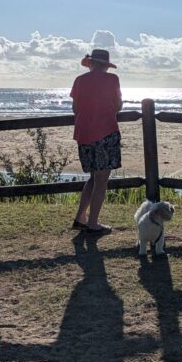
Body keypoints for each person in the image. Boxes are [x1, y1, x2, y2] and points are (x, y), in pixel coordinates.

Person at [70, 48, 123, 235]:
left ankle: (80, 217)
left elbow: (75, 108)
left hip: (83, 133)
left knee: (93, 177)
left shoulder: (79, 80)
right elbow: (118, 105)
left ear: (91, 63)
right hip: (105, 131)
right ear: (105, 65)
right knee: (101, 180)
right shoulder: (112, 80)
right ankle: (92, 223)